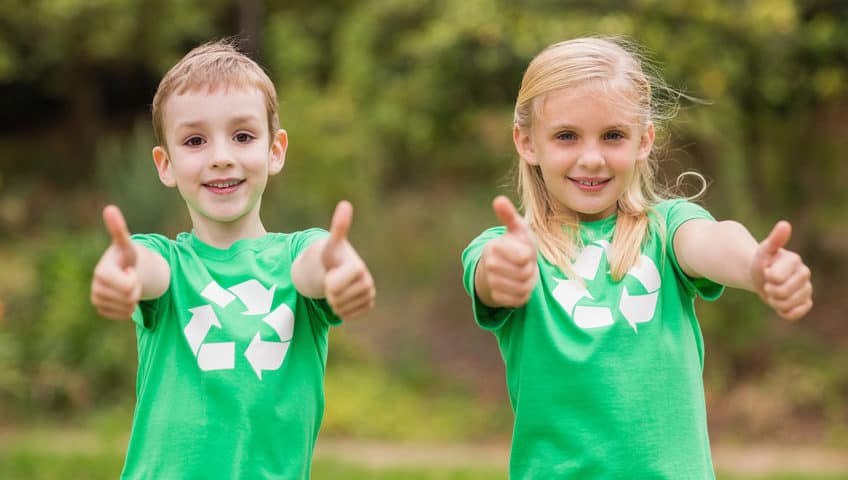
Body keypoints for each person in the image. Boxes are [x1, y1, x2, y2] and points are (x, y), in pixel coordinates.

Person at [461, 36, 813, 479]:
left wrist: (754, 266)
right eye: (566, 136)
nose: (591, 159)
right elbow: (488, 277)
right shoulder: (506, 247)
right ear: (527, 142)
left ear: (644, 140)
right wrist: (504, 271)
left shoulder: (666, 231)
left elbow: (710, 241)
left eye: (613, 136)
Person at [90, 39, 376, 479]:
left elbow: (317, 268)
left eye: (242, 136)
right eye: (195, 140)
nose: (221, 158)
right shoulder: (166, 261)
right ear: (165, 165)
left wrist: (341, 271)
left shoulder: (300, 253)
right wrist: (119, 272)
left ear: (274, 150)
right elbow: (143, 269)